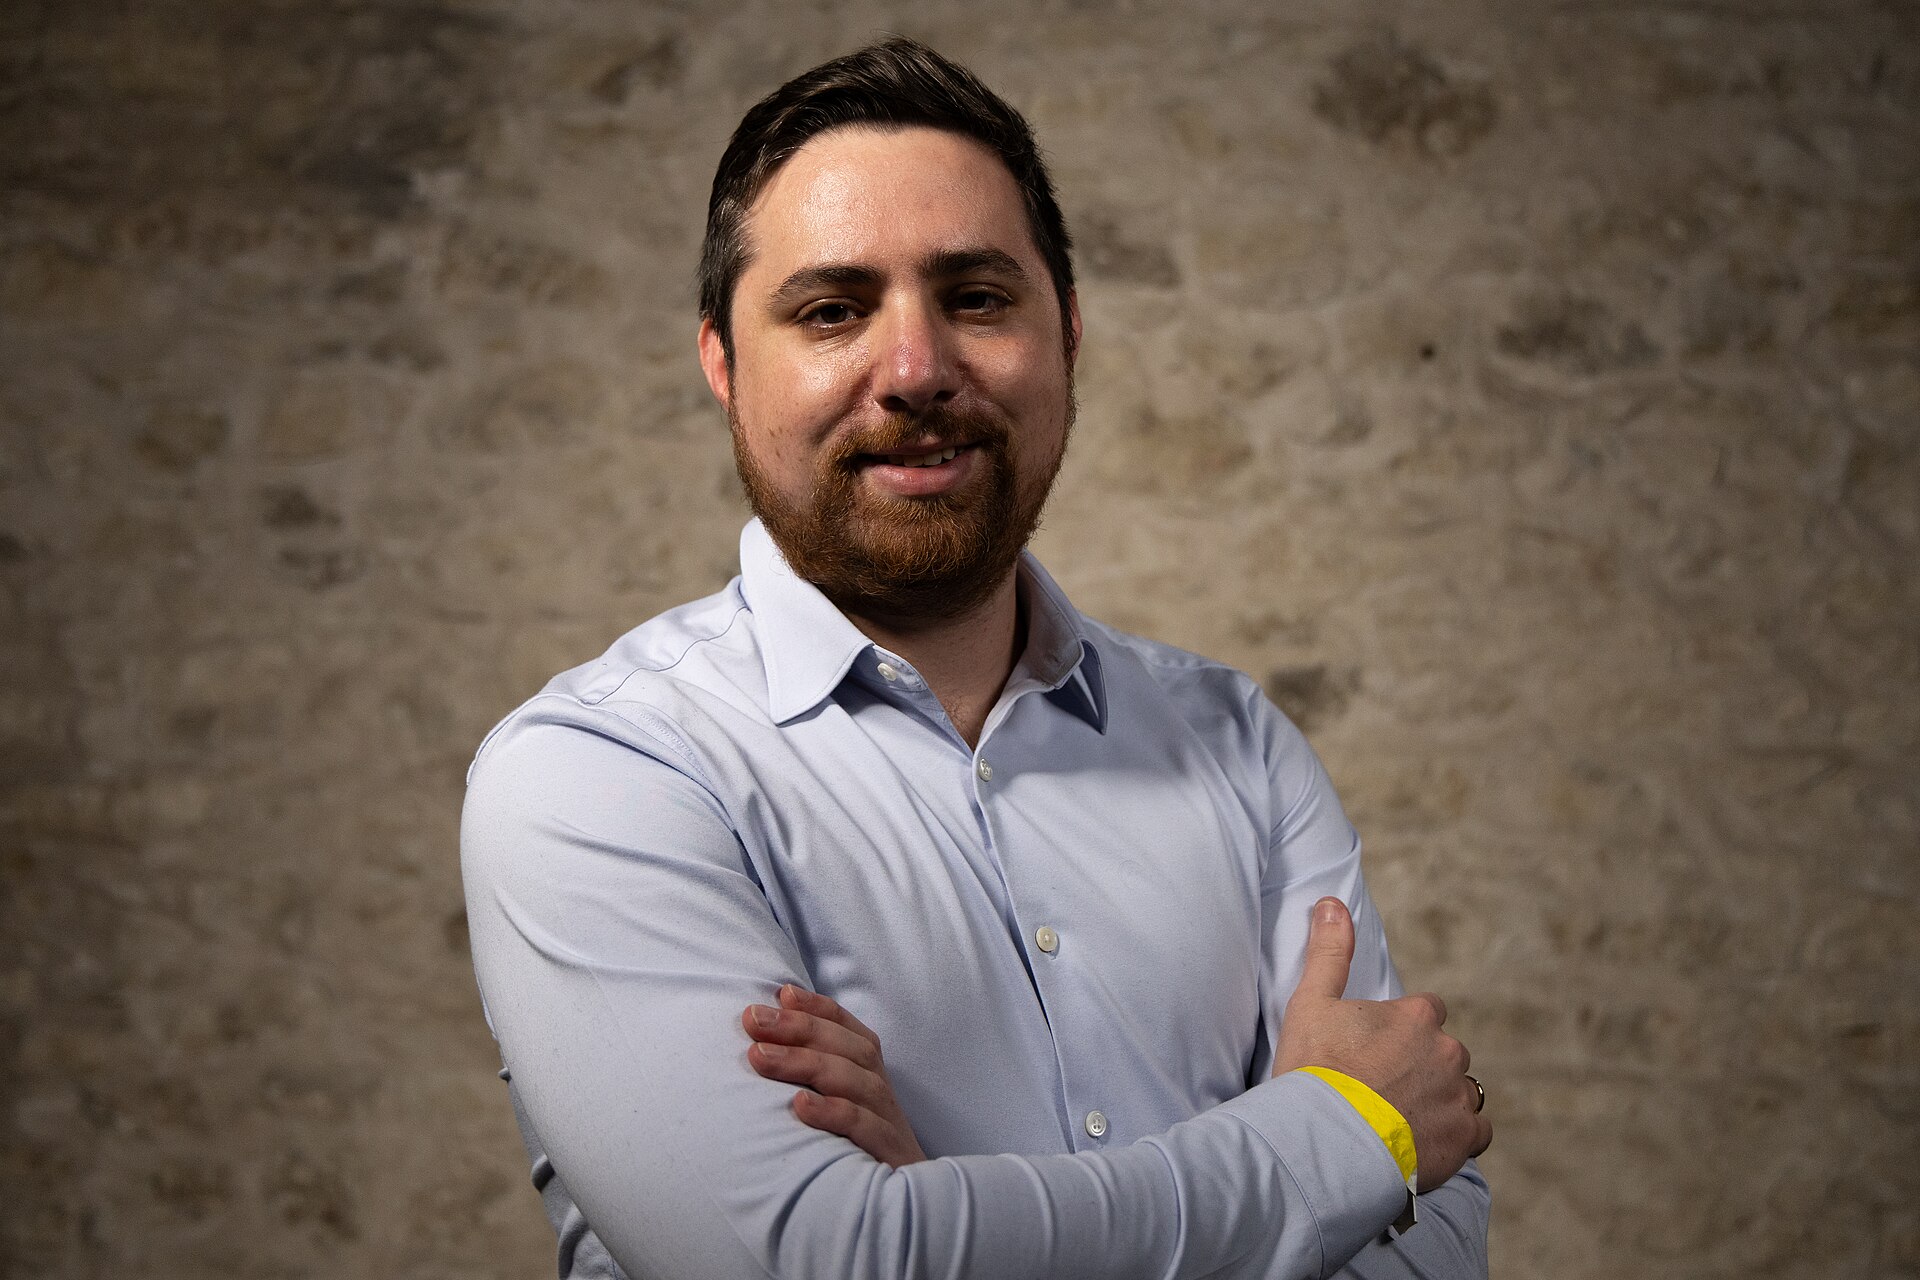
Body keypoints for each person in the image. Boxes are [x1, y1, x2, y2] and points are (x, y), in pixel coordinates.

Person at [461, 36, 1491, 1280]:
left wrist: (948, 1214)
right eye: (833, 309)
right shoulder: (598, 776)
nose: (915, 370)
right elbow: (817, 1265)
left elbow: (1431, 1254)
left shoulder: (1237, 745)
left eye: (977, 296)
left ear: (1065, 332)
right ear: (723, 365)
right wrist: (1341, 1137)